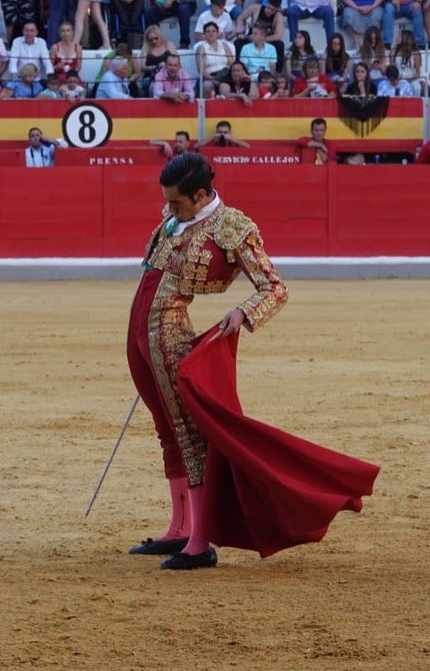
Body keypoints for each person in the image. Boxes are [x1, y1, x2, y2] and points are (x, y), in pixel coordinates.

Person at [125, 152, 288, 571]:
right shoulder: (175, 216)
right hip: (141, 334)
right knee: (167, 430)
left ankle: (201, 541)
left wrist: (244, 313)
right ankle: (179, 526)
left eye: (177, 203)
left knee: (190, 435)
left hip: (170, 333)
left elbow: (274, 288)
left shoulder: (232, 226)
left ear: (201, 195)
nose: (168, 210)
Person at [194, 20, 235, 96]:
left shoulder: (224, 45)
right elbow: (201, 71)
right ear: (204, 34)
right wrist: (213, 79)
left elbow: (232, 63)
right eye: (208, 31)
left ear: (217, 33)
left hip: (225, 75)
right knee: (208, 86)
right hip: (209, 76)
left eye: (213, 31)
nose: (211, 33)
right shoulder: (201, 48)